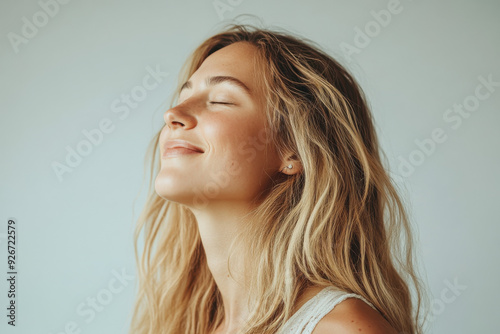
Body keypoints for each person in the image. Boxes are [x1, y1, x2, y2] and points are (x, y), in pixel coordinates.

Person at [128, 23, 428, 334]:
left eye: (220, 99)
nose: (173, 113)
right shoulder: (183, 325)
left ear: (294, 151)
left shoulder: (343, 329)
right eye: (183, 95)